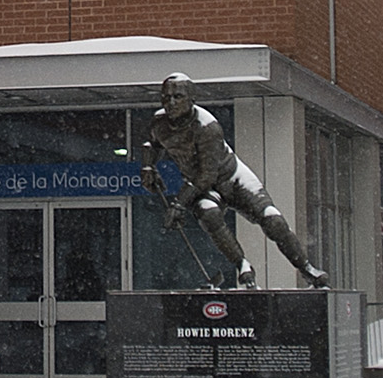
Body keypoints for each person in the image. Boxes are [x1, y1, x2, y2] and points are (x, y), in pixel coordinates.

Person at [136, 74, 327, 288]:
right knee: (209, 214)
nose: (171, 102)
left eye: (177, 96)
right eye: (166, 97)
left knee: (272, 220)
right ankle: (242, 265)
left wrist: (179, 204)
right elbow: (151, 144)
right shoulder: (159, 122)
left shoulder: (207, 127)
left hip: (232, 178)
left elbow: (206, 175)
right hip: (204, 188)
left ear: (191, 99)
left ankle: (306, 268)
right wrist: (148, 167)